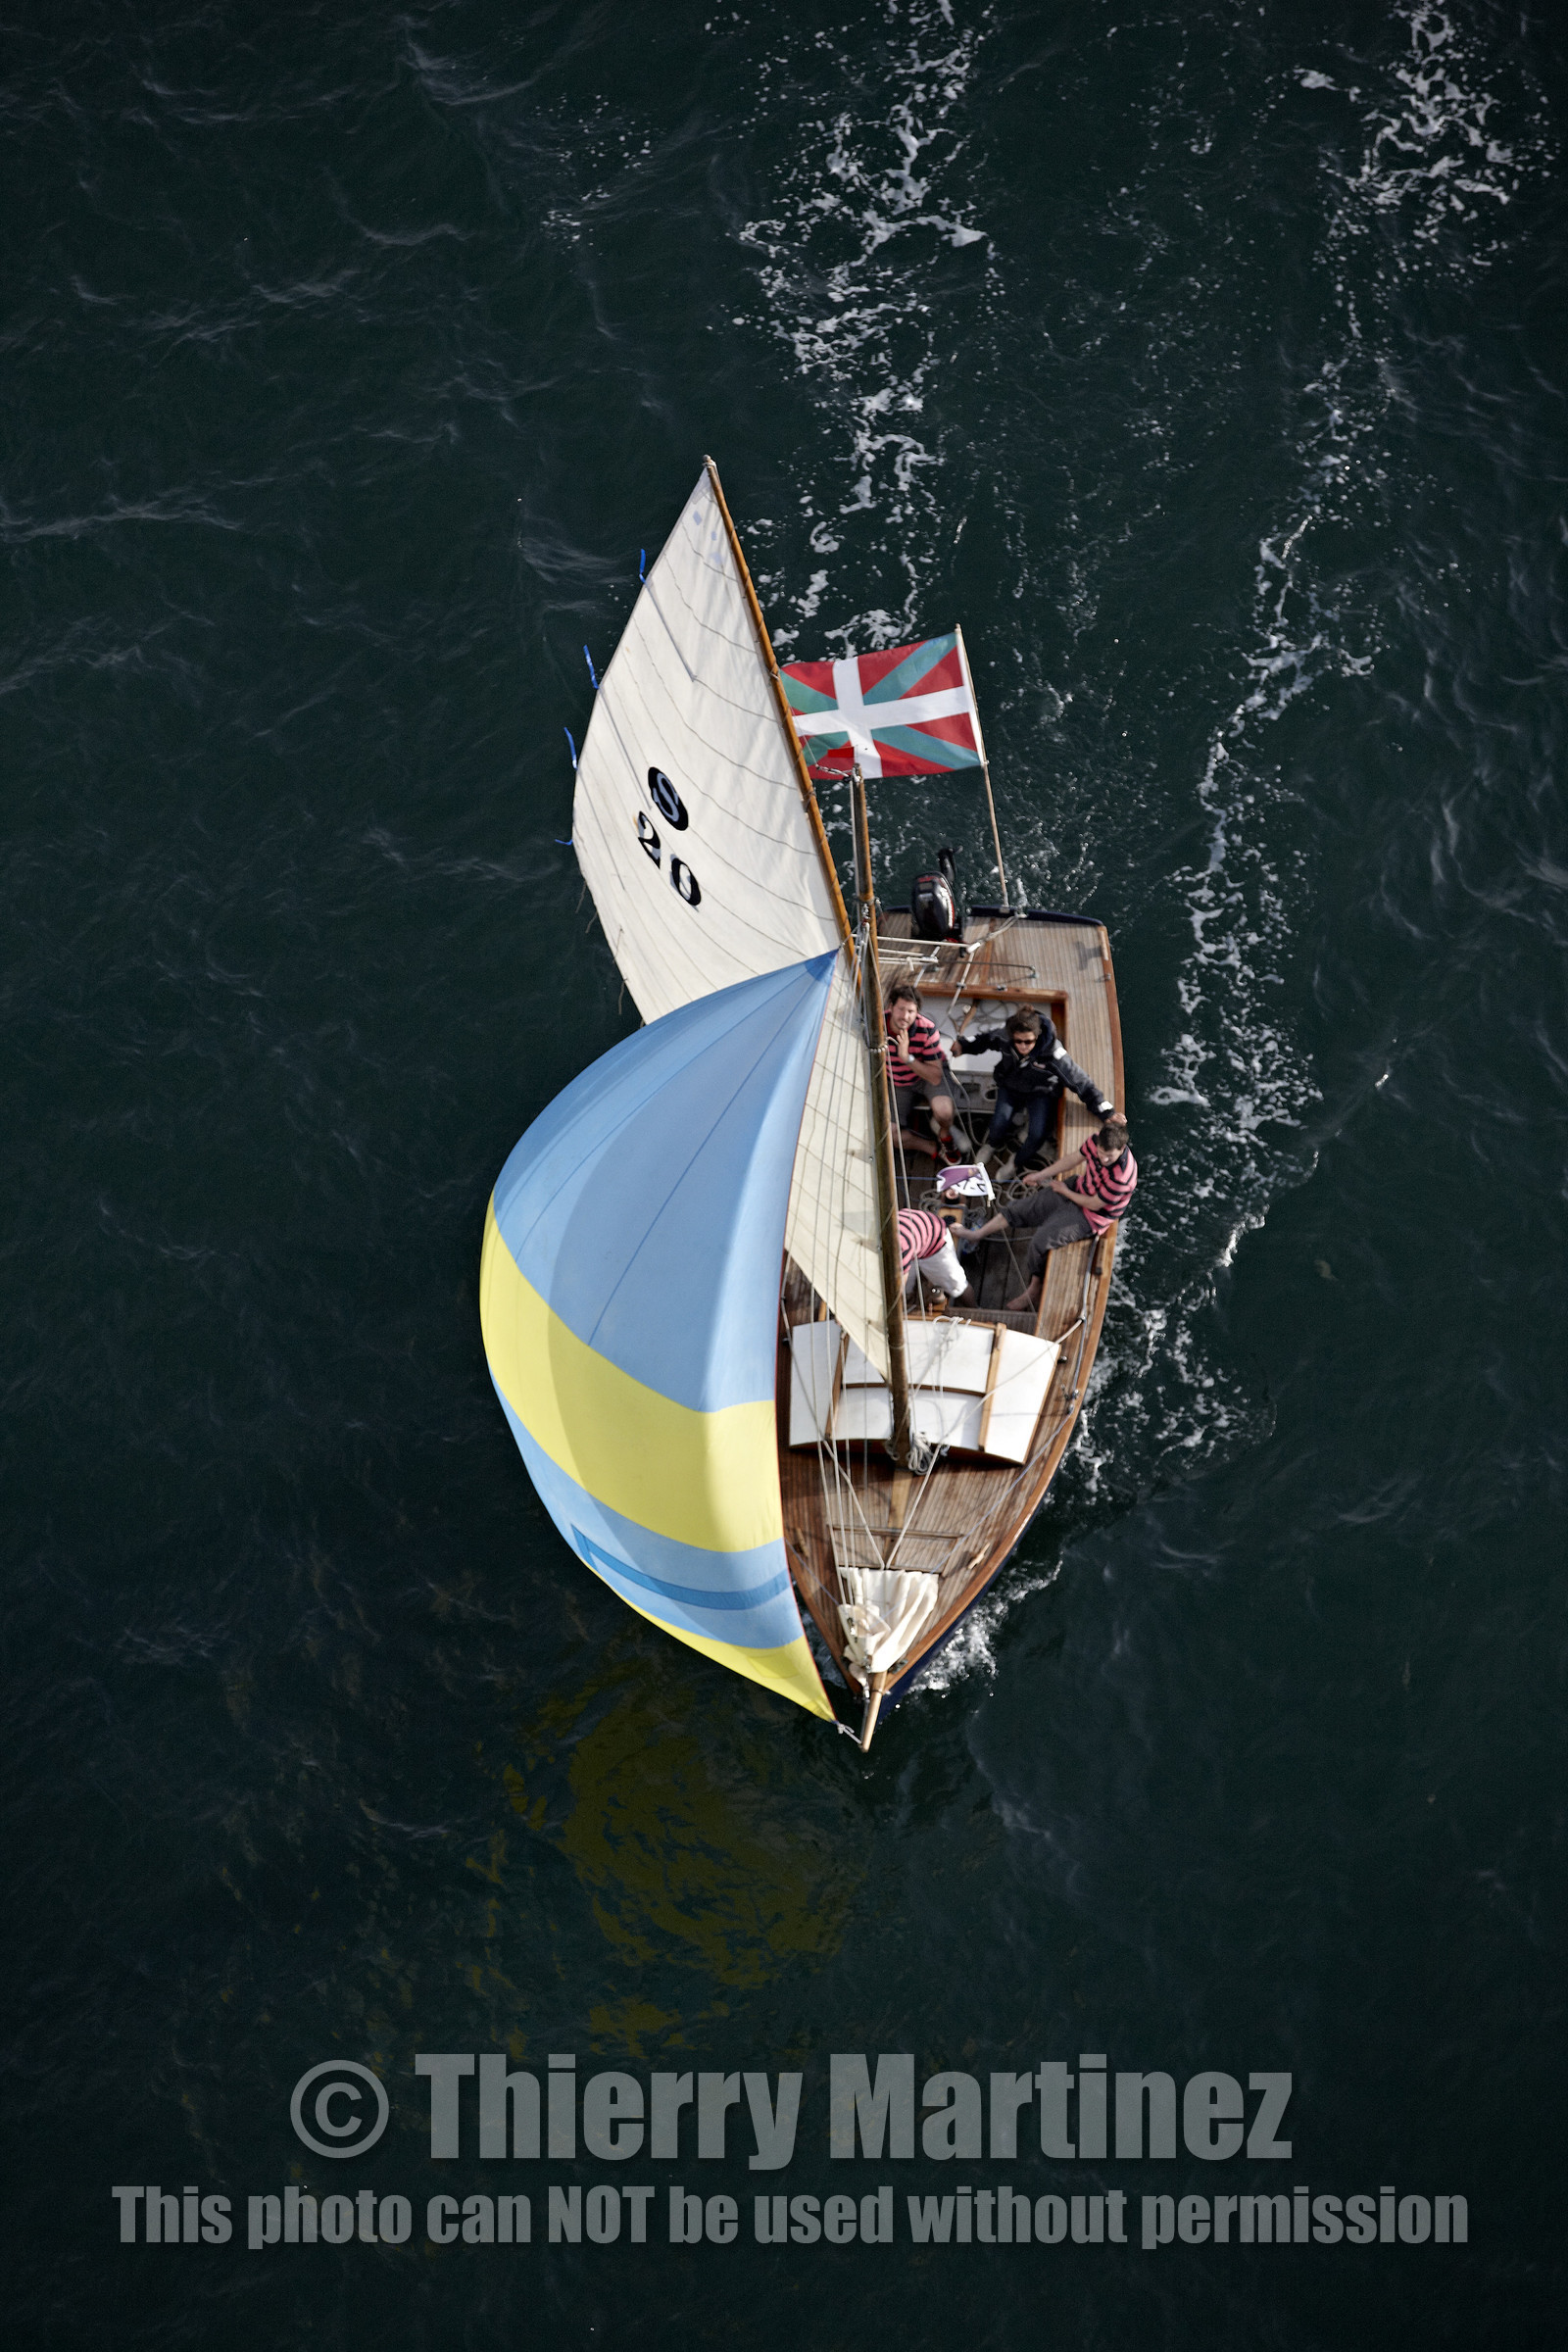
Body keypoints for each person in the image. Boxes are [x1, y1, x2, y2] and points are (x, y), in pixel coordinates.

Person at [955, 1117, 1137, 1312]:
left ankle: (1034, 1288)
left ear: (1122, 1148)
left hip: (1092, 1215)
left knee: (1040, 1241)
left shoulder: (1122, 1177)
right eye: (1101, 1153)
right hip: (1079, 1188)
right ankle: (976, 1235)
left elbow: (1094, 1204)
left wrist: (1064, 1191)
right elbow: (1073, 1159)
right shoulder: (1095, 1141)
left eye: (1109, 1156)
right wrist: (1040, 1175)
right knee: (1016, 1209)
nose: (1103, 1159)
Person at [952, 1004, 1114, 1173]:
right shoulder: (1004, 1036)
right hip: (1010, 1086)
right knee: (999, 1122)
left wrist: (1106, 1112)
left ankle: (1015, 1162)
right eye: (1018, 1041)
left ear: (1037, 1036)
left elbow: (1081, 1081)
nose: (1023, 1046)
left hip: (1040, 1093)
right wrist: (962, 1046)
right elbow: (984, 1040)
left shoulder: (1053, 1053)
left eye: (1028, 1041)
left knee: (1037, 1133)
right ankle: (992, 1144)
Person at [885, 985, 959, 1163]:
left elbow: (934, 1076)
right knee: (891, 1136)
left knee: (944, 1112)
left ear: (917, 1012)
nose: (905, 1016)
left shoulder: (926, 1029)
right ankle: (931, 1148)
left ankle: (944, 1134)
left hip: (925, 1076)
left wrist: (906, 1057)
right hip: (896, 1081)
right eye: (901, 1009)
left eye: (911, 1011)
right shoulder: (876, 1027)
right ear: (891, 1007)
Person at [897, 1205, 967, 1306]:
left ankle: (974, 1307)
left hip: (935, 1241)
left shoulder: (902, 1248)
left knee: (958, 1286)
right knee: (906, 1290)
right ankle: (909, 1297)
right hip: (914, 1226)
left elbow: (897, 1289)